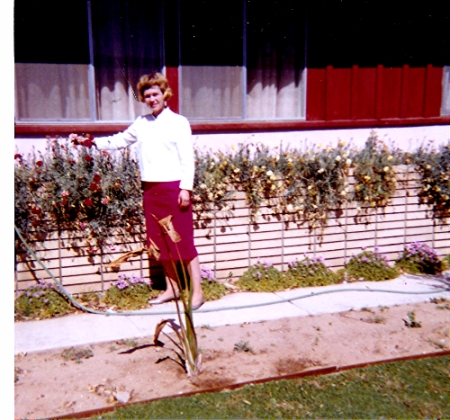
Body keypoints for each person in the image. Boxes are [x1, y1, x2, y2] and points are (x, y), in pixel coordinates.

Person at [81, 73, 204, 310]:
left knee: (184, 242)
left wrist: (185, 188)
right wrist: (90, 142)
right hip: (151, 190)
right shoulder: (141, 123)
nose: (151, 99)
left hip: (174, 189)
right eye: (147, 96)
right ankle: (173, 288)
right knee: (159, 242)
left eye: (155, 94)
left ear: (164, 94)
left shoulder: (179, 122)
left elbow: (188, 159)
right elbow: (118, 141)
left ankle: (197, 292)